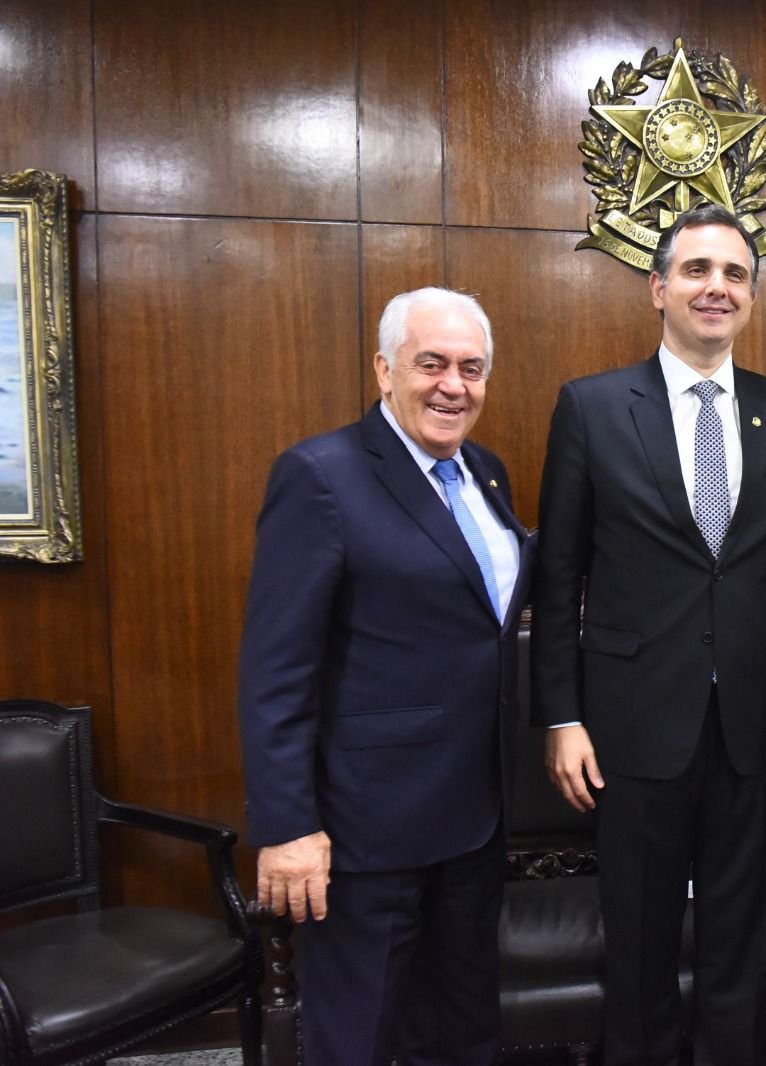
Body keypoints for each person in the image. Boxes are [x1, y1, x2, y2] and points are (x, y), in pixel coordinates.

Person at [533, 203, 766, 1066]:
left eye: (735, 274)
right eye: (697, 270)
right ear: (659, 288)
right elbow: (558, 580)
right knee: (642, 937)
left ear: (751, 298)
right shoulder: (589, 407)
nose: (716, 288)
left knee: (743, 937)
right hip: (630, 722)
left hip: (755, 722)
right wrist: (561, 716)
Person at [237, 287, 533, 1065]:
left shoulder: (487, 473)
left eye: (471, 369)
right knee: (360, 1036)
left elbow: (486, 622)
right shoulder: (321, 476)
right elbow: (276, 670)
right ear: (384, 369)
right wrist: (288, 827)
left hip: (474, 813)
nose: (452, 385)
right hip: (368, 830)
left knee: (462, 1027)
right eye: (430, 363)